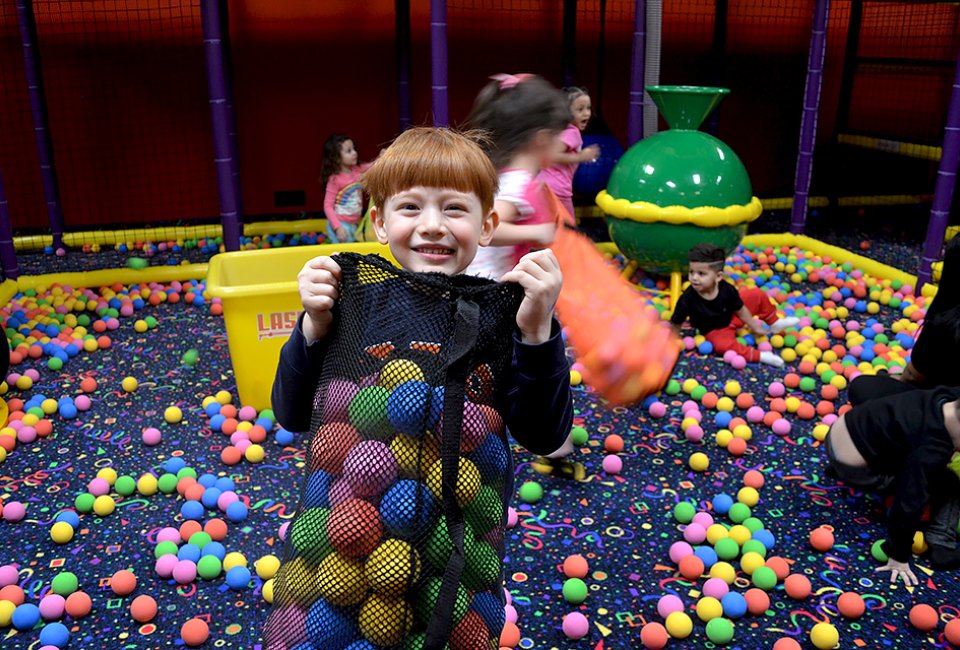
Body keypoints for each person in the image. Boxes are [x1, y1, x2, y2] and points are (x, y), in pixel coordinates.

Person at [266, 127, 573, 648]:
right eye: (410, 208)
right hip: (346, 545)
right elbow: (292, 415)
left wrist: (538, 331)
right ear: (380, 223)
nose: (432, 226)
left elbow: (543, 436)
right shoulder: (356, 304)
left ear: (488, 225)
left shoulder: (502, 315)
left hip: (454, 548)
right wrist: (312, 329)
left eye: (454, 209)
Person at [825, 386, 960, 584]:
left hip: (841, 432)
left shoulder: (943, 397)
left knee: (902, 439)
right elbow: (909, 501)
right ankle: (942, 543)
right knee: (949, 481)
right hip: (856, 469)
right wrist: (899, 555)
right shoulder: (932, 449)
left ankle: (841, 468)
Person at [465, 73, 571, 283]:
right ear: (541, 139)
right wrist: (539, 231)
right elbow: (483, 228)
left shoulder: (509, 177)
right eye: (559, 136)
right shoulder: (517, 184)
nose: (563, 145)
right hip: (490, 286)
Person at [849, 235, 960, 405]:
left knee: (864, 388)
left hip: (948, 409)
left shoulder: (947, 321)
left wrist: (895, 379)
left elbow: (912, 376)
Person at [670, 243, 798, 368]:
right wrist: (671, 341)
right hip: (715, 330)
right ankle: (761, 356)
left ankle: (774, 322)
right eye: (691, 272)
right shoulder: (688, 298)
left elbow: (740, 309)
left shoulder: (727, 289)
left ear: (718, 276)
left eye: (701, 274)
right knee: (723, 346)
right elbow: (677, 322)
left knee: (756, 294)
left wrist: (755, 327)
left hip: (733, 316)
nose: (694, 278)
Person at [537, 86, 601, 221]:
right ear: (566, 113)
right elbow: (552, 155)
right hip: (558, 190)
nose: (587, 113)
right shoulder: (572, 132)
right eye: (580, 109)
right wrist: (581, 156)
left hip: (543, 185)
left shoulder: (559, 130)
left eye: (588, 108)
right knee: (569, 230)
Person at [320, 133, 374, 244]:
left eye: (354, 149)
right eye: (349, 151)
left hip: (353, 223)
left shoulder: (357, 169)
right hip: (341, 223)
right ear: (336, 158)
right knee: (342, 255)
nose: (355, 153)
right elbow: (328, 206)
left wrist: (383, 157)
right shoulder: (335, 180)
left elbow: (373, 165)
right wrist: (337, 227)